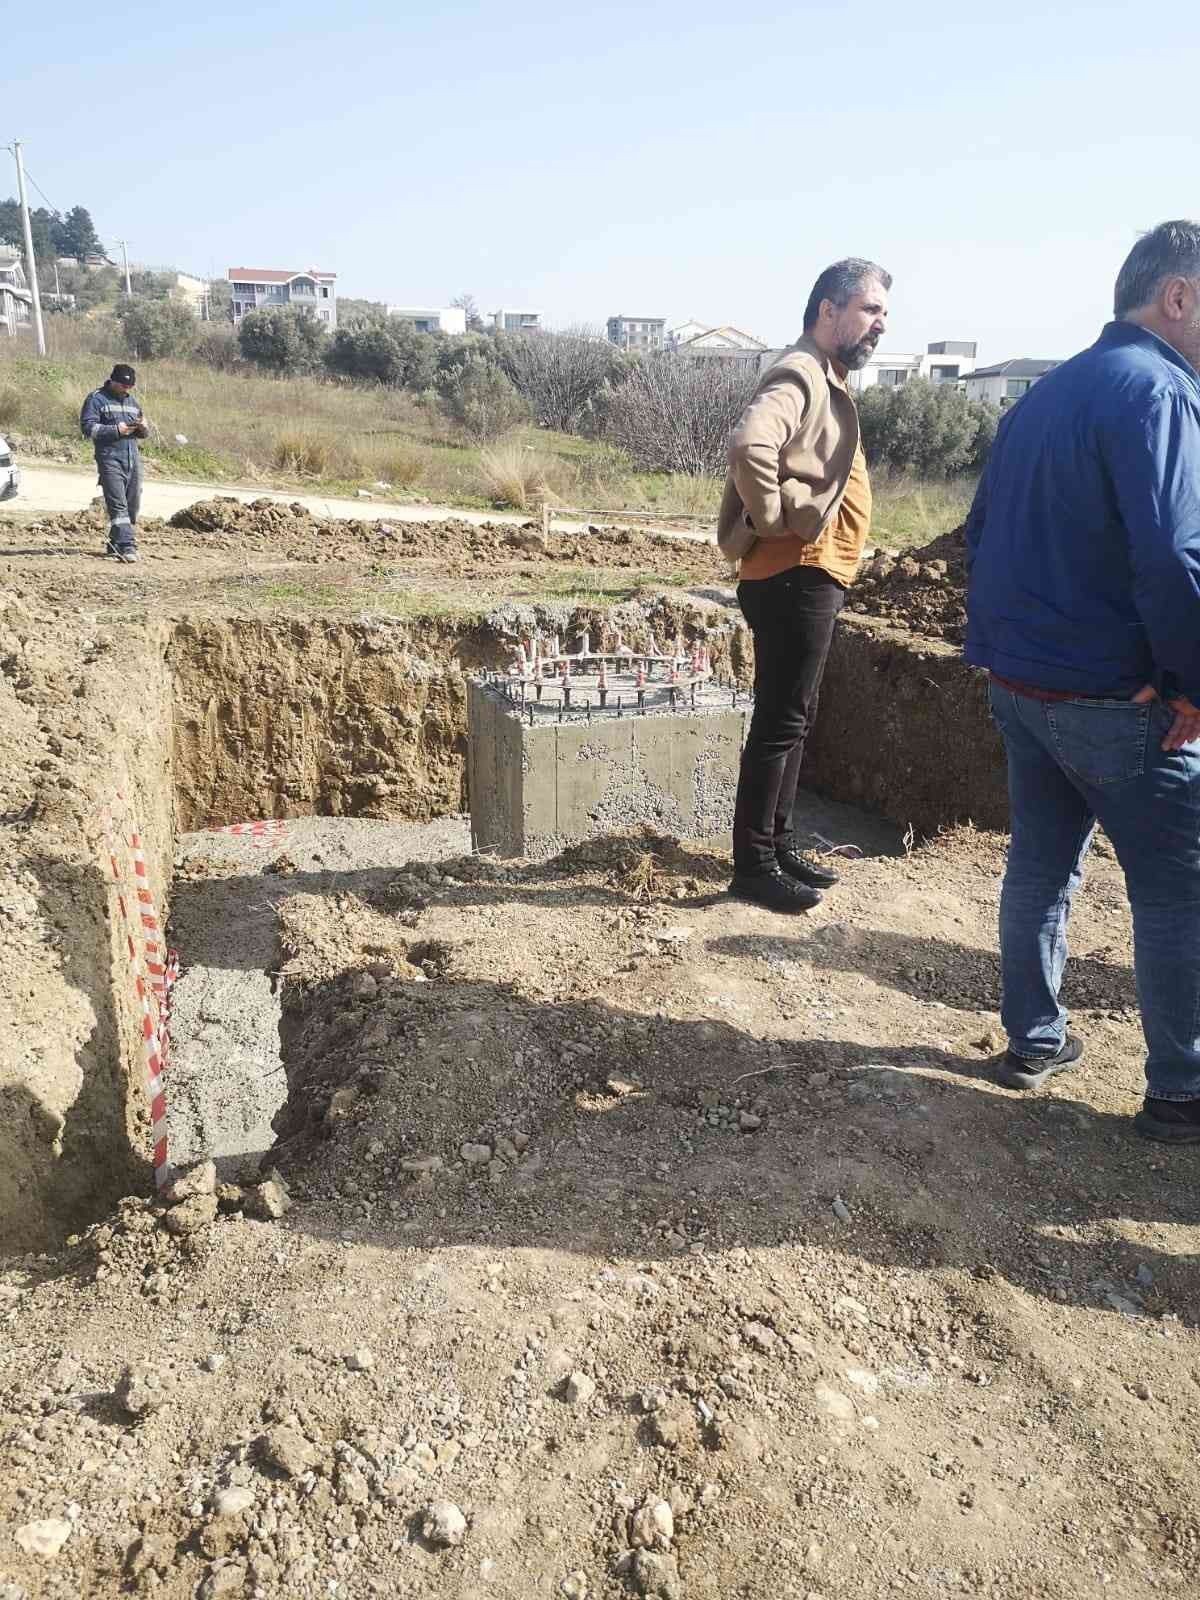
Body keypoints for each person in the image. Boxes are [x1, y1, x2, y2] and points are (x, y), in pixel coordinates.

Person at [964, 219, 1200, 1142]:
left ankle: (1033, 1042)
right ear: (1177, 297)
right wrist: (1192, 683)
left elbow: (981, 539)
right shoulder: (1159, 392)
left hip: (1021, 692)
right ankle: (1182, 1094)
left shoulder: (1043, 397)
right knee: (1178, 892)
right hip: (1117, 706)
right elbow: (1177, 560)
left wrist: (1004, 657)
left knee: (1039, 866)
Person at [718, 258, 890, 912]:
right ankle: (753, 865)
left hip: (810, 575)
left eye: (883, 314)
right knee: (780, 719)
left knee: (795, 715)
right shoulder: (799, 373)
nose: (879, 325)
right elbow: (750, 446)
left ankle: (778, 843)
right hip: (795, 573)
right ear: (828, 310)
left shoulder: (826, 376)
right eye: (870, 310)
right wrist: (772, 518)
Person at [80, 363, 148, 563]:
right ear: (113, 381)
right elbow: (88, 428)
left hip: (132, 458)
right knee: (118, 505)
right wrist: (115, 430)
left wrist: (143, 428)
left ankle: (114, 542)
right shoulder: (96, 399)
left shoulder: (132, 402)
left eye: (130, 387)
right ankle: (127, 546)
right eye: (123, 386)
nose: (126, 390)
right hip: (109, 457)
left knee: (132, 504)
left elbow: (143, 433)